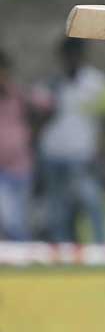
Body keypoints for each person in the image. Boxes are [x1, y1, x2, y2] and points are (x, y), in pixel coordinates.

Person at [38, 38, 105, 243]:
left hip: (83, 154)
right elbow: (39, 117)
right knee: (58, 209)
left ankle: (101, 247)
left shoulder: (96, 83)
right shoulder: (51, 83)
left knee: (92, 202)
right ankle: (63, 251)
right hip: (53, 153)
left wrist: (103, 151)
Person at [0, 49, 50, 240]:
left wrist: (35, 131)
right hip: (1, 170)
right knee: (8, 218)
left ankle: (23, 257)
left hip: (21, 166)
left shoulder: (18, 95)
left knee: (20, 219)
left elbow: (47, 105)